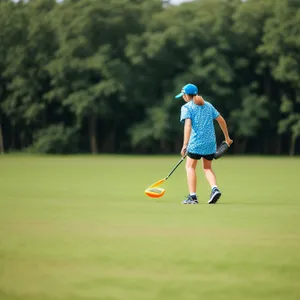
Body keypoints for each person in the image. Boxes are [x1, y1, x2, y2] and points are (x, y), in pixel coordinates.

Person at [175, 83, 233, 204]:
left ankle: (193, 197)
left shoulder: (186, 107)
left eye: (183, 95)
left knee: (190, 167)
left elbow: (188, 126)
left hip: (195, 143)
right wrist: (227, 138)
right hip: (210, 143)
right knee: (207, 168)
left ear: (186, 95)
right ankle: (214, 189)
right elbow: (221, 120)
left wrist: (185, 145)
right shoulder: (208, 105)